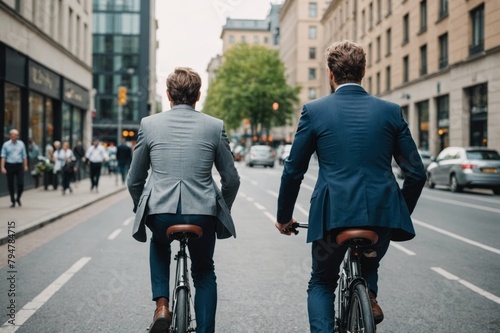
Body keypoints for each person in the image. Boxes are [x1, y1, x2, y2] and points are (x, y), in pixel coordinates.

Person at [274, 40, 427, 332]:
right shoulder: (391, 112)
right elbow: (416, 174)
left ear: (330, 74)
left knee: (321, 281)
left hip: (332, 218)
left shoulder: (314, 111)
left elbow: (293, 170)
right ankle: (368, 293)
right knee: (370, 256)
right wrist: (397, 214)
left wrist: (283, 217)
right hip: (380, 217)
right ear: (364, 71)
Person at [127, 67, 240, 333]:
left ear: (168, 95)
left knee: (159, 243)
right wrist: (220, 209)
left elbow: (134, 179)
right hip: (203, 213)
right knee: (203, 271)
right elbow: (232, 180)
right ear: (198, 95)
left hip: (161, 213)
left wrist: (140, 207)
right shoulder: (215, 126)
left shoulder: (149, 124)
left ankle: (162, 305)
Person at [1, 129, 28, 207]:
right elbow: (3, 156)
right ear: (11, 135)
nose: (17, 136)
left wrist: (25, 166)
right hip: (9, 165)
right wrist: (2, 167)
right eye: (15, 135)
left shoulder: (21, 144)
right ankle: (13, 200)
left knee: (21, 183)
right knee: (10, 184)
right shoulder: (6, 145)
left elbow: (24, 156)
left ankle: (18, 198)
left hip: (19, 166)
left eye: (17, 135)